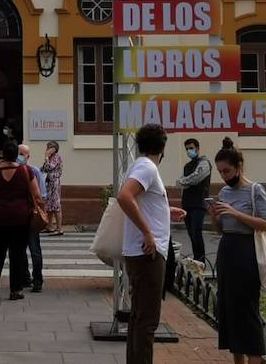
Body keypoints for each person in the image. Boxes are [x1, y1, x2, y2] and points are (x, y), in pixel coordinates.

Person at [116, 124, 187, 364]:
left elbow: (142, 202)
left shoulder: (139, 166)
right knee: (147, 321)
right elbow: (124, 196)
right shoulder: (147, 167)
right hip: (147, 253)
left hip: (139, 252)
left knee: (138, 318)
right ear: (163, 147)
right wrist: (148, 232)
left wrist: (166, 211)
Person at [210, 139, 266, 364]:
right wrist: (215, 216)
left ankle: (254, 357)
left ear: (238, 167)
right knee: (229, 311)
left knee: (246, 312)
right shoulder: (224, 193)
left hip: (247, 253)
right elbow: (221, 229)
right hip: (227, 251)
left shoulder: (255, 190)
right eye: (220, 172)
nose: (224, 176)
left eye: (227, 170)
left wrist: (235, 213)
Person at [0, 140, 42, 300]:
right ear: (16, 155)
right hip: (20, 218)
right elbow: (36, 194)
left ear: (2, 154)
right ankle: (15, 290)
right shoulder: (26, 171)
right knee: (17, 254)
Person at [176, 137, 212, 262]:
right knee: (191, 234)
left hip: (199, 203)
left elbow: (196, 178)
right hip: (187, 204)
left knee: (197, 233)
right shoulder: (187, 166)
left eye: (191, 148)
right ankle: (196, 260)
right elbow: (181, 183)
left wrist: (183, 181)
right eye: (187, 149)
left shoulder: (204, 163)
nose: (189, 151)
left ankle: (200, 261)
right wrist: (185, 182)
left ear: (197, 148)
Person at [17, 144, 46, 293]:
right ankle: (25, 278)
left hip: (31, 215)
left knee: (34, 250)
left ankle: (37, 280)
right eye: (18, 153)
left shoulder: (34, 171)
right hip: (18, 216)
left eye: (23, 154)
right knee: (20, 251)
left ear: (28, 156)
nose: (20, 156)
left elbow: (42, 195)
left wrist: (39, 211)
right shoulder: (13, 171)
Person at [40, 141, 64, 235]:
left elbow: (50, 167)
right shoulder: (50, 158)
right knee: (49, 206)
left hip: (54, 183)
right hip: (49, 184)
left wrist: (46, 157)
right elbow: (44, 169)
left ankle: (59, 229)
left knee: (56, 206)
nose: (46, 149)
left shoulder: (56, 157)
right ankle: (49, 226)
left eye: (48, 147)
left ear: (53, 149)